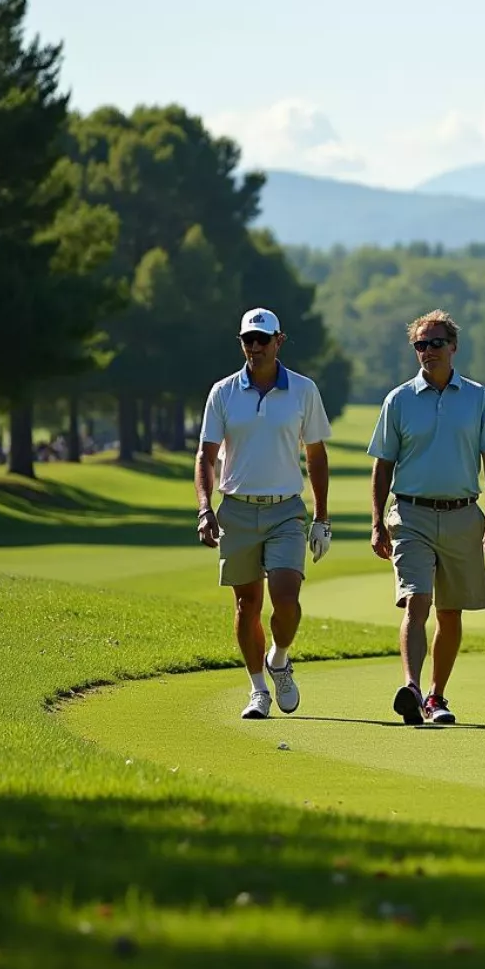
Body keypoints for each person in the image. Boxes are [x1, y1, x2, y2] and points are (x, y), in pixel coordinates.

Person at [368, 310, 485, 726]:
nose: (427, 351)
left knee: (450, 613)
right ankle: (411, 687)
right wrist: (377, 521)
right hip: (410, 513)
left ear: (454, 347)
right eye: (420, 345)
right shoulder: (399, 399)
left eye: (435, 343)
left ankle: (436, 696)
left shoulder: (478, 397)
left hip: (463, 514)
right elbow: (383, 465)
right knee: (417, 600)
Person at [195, 307, 333, 720]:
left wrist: (322, 517)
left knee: (286, 599)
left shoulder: (304, 390)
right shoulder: (223, 391)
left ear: (279, 341)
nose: (254, 347)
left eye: (262, 339)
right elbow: (206, 455)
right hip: (237, 509)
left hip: (286, 511)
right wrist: (205, 508)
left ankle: (279, 658)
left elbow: (316, 454)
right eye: (247, 340)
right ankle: (258, 690)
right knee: (246, 605)